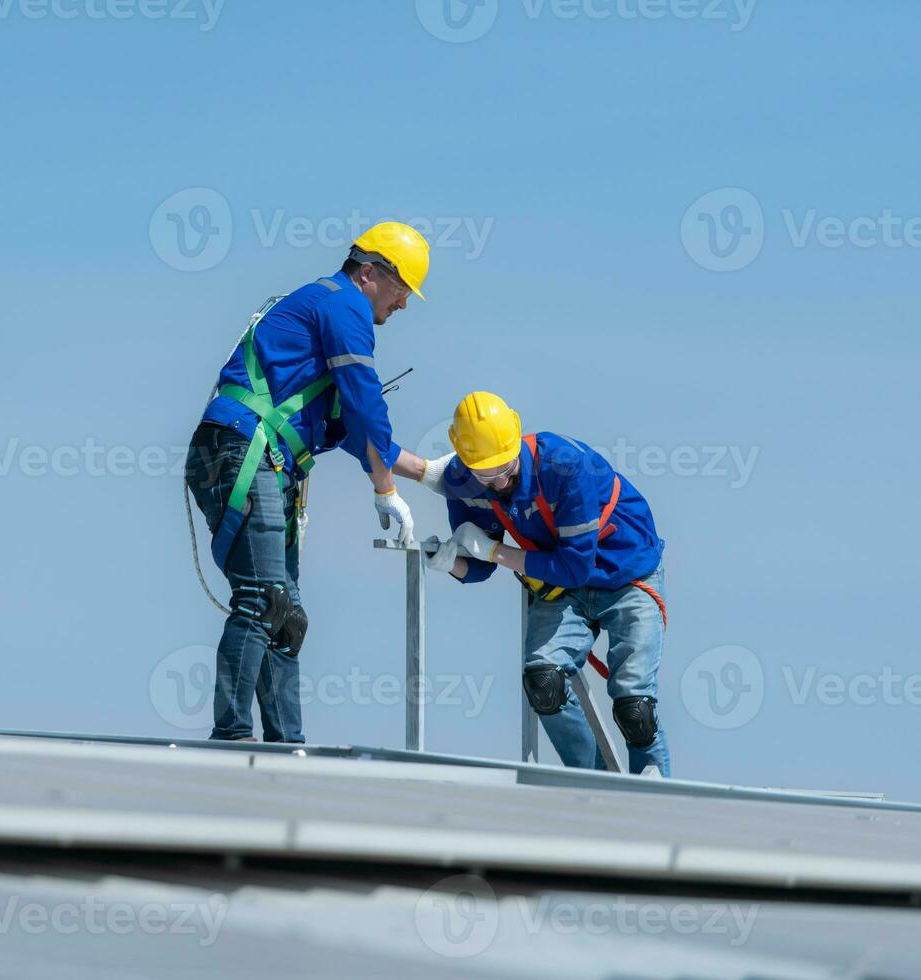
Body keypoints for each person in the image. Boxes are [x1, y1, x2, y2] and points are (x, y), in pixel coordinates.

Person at [184, 222, 453, 743]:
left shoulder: (327, 312)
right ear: (370, 273)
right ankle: (231, 740)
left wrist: (426, 474)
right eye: (401, 291)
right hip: (243, 448)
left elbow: (356, 431)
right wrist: (385, 490)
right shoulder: (344, 308)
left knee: (286, 616)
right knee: (264, 600)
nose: (403, 305)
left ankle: (287, 747)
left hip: (258, 456)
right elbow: (365, 405)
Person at [426, 391, 670, 775]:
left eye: (505, 466)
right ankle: (595, 784)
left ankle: (658, 804)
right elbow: (480, 569)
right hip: (563, 588)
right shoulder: (467, 484)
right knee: (543, 682)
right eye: (485, 473)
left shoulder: (565, 466)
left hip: (627, 575)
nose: (500, 480)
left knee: (634, 707)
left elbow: (571, 566)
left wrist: (495, 553)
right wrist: (449, 563)